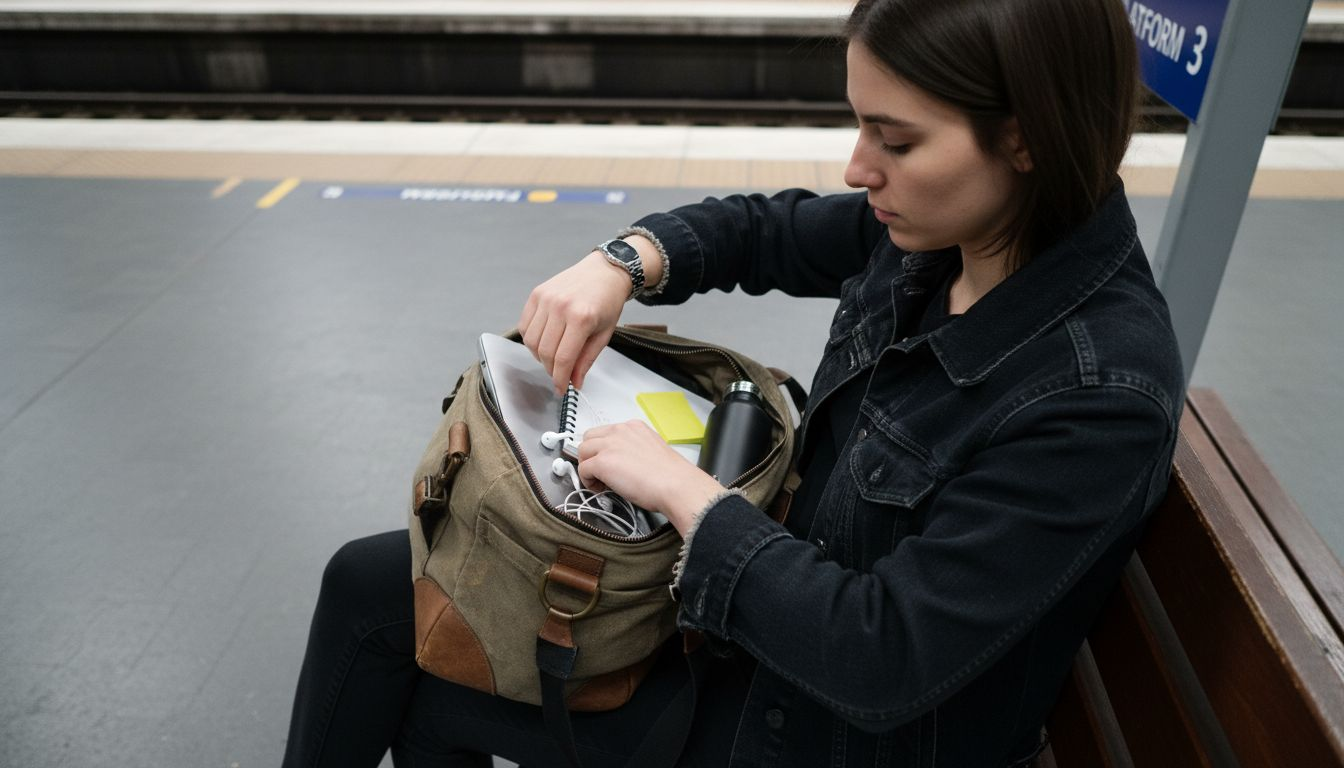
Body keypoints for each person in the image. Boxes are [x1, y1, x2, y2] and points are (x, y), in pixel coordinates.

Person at [282, 0, 1185, 765]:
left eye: (896, 140)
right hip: (759, 642)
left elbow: (882, 656)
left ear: (1023, 138)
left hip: (811, 725)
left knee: (418, 674)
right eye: (861, 124)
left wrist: (688, 497)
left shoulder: (1095, 396)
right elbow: (764, 231)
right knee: (374, 582)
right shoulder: (959, 232)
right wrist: (622, 263)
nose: (858, 168)